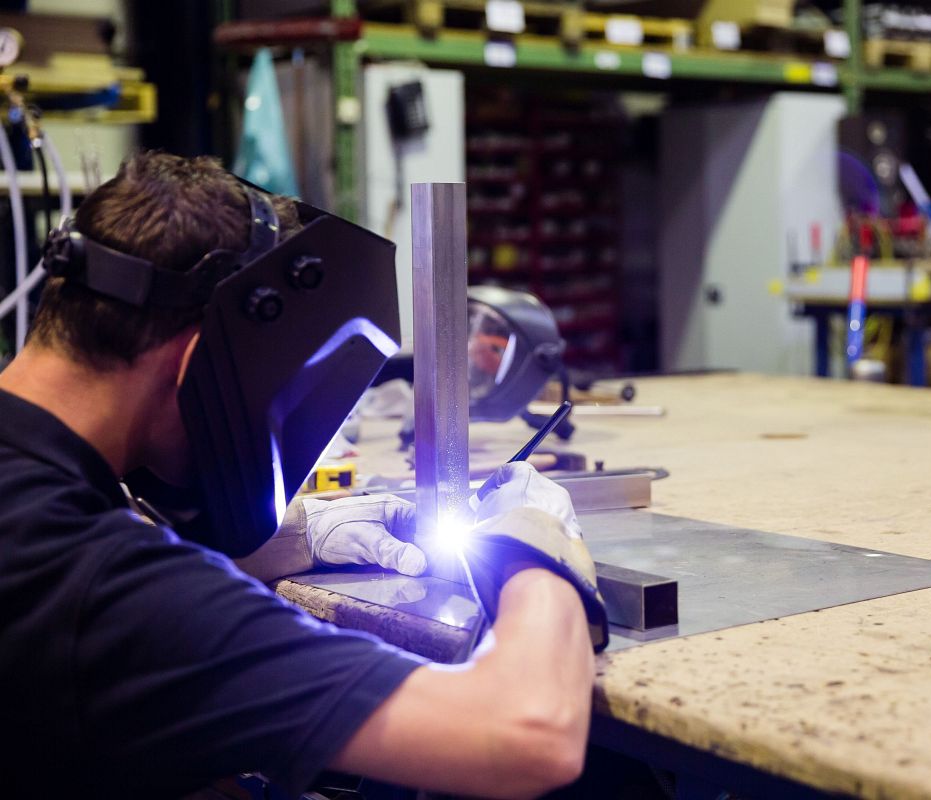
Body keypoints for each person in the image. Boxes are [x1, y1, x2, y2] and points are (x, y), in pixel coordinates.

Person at [0, 151, 606, 798]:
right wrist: (535, 555)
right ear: (203, 364)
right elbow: (527, 737)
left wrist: (296, 536)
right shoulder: (92, 579)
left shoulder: (35, 497)